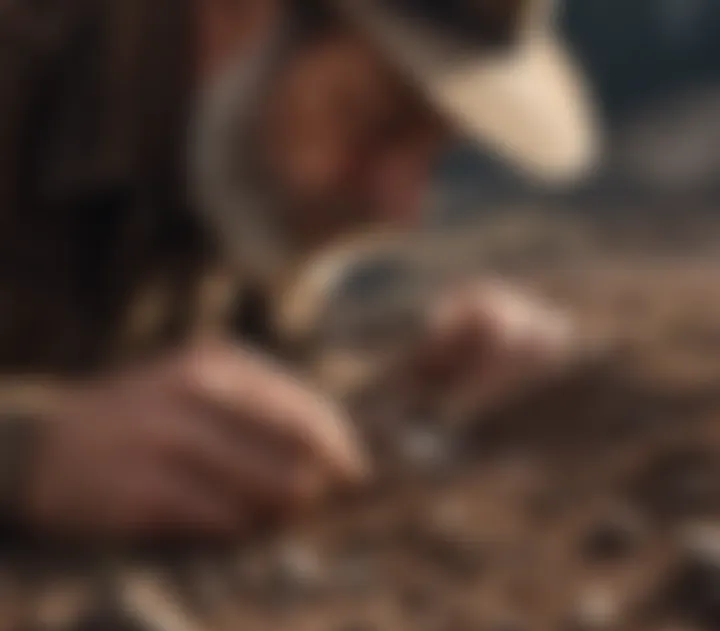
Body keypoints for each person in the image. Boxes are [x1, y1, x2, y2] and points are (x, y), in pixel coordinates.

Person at [0, 0, 600, 540]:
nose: (401, 209)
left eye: (433, 150)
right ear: (239, 13)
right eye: (378, 122)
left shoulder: (228, 155)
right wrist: (31, 454)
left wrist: (408, 384)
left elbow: (250, 358)